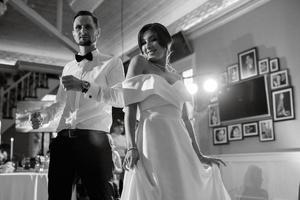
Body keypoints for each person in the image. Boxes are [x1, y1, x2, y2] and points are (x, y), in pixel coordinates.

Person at [65, 23, 231, 200]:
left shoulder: (177, 76)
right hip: (151, 137)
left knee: (181, 188)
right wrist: (131, 147)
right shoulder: (139, 63)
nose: (147, 46)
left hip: (179, 140)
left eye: (153, 39)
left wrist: (199, 155)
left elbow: (186, 119)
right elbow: (129, 107)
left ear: (166, 41)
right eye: (143, 43)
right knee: (155, 189)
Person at [30, 10, 125, 200]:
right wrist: (44, 116)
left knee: (102, 196)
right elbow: (60, 104)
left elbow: (121, 98)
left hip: (94, 142)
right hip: (63, 141)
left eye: (88, 26)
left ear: (97, 32)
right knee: (57, 196)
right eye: (78, 27)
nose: (83, 30)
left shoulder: (112, 63)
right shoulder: (68, 67)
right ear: (73, 34)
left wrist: (84, 86)